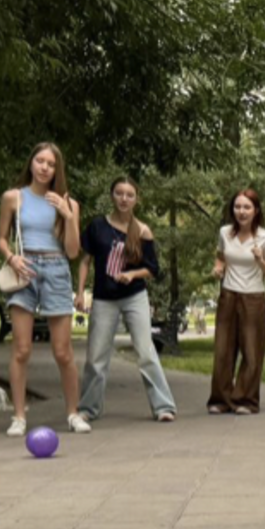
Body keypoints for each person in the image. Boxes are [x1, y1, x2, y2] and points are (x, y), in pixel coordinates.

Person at [0, 143, 85, 437]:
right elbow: (1, 238)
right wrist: (11, 257)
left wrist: (68, 216)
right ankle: (19, 417)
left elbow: (72, 252)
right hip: (24, 270)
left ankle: (73, 414)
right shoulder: (13, 197)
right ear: (31, 163)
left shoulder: (69, 204)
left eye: (51, 163)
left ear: (57, 169)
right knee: (22, 349)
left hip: (57, 270)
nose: (45, 167)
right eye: (40, 161)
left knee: (63, 352)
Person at [77, 176, 176, 423]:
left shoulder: (142, 231)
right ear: (112, 196)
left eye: (129, 195)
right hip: (103, 298)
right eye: (119, 193)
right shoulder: (97, 226)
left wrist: (132, 274)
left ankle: (163, 406)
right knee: (96, 357)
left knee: (146, 352)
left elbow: (152, 269)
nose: (124, 199)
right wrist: (80, 292)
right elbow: (85, 261)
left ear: (136, 199)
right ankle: (88, 408)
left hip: (134, 297)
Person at [210, 189, 265, 414]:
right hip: (228, 296)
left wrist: (260, 260)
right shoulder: (225, 233)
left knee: (251, 352)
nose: (241, 211)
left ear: (255, 210)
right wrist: (218, 268)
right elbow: (221, 257)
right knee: (223, 351)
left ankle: (245, 400)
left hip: (253, 299)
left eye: (247, 207)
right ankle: (220, 400)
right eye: (238, 207)